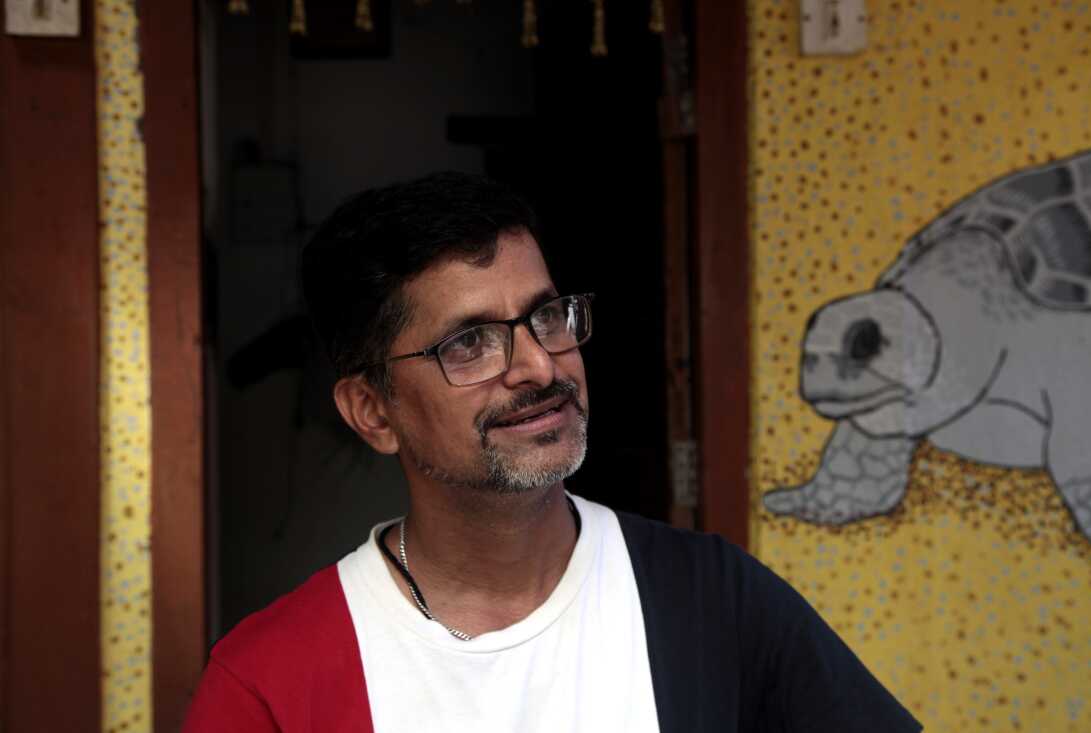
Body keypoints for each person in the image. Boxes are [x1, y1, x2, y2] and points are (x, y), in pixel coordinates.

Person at [183, 172, 922, 732]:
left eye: (546, 316)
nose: (541, 364)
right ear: (373, 411)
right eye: (469, 343)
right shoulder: (270, 680)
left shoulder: (711, 600)